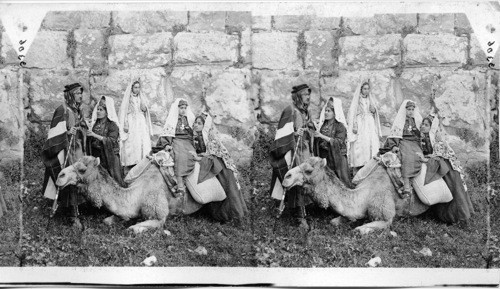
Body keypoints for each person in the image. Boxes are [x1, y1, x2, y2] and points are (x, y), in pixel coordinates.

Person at [269, 84, 316, 230]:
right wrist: (295, 134)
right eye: (305, 95)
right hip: (294, 152)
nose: (308, 97)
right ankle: (298, 216)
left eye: (309, 95)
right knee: (295, 181)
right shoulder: (291, 110)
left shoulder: (306, 112)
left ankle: (305, 210)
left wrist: (309, 128)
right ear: (298, 96)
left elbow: (311, 129)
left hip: (305, 151)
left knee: (306, 180)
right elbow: (282, 133)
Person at [41, 83, 88, 229]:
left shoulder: (78, 110)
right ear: (70, 95)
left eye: (81, 93)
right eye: (78, 93)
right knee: (69, 179)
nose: (81, 96)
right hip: (67, 151)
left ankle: (78, 208)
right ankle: (72, 215)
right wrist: (67, 133)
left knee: (79, 178)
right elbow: (55, 133)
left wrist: (81, 128)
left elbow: (83, 127)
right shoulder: (63, 110)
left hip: (78, 150)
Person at [192, 113, 248, 222]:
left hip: (222, 168)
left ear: (205, 126)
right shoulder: (197, 137)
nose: (196, 125)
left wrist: (198, 158)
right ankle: (218, 216)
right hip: (213, 166)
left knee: (227, 189)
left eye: (199, 123)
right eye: (195, 122)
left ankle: (234, 216)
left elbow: (212, 156)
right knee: (216, 190)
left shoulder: (211, 138)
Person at [419, 115, 474, 224]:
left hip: (449, 168)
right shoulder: (425, 138)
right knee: (443, 191)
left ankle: (459, 218)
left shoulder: (437, 138)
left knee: (454, 189)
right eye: (422, 124)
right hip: (441, 167)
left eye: (426, 125)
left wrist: (424, 159)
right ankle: (445, 217)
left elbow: (438, 156)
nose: (423, 127)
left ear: (432, 127)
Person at [157, 98, 196, 198]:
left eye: (185, 108)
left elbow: (194, 132)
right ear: (177, 108)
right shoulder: (173, 119)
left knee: (191, 154)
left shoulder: (189, 119)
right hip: (177, 140)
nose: (183, 110)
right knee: (179, 154)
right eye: (181, 108)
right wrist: (166, 144)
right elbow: (166, 132)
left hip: (187, 141)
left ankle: (188, 180)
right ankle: (179, 183)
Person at [383, 100, 423, 197]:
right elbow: (395, 133)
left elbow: (421, 134)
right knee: (407, 156)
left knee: (418, 155)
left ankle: (414, 180)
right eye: (409, 109)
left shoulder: (416, 121)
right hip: (404, 141)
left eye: (412, 109)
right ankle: (406, 183)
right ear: (405, 110)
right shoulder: (401, 121)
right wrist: (394, 145)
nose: (411, 111)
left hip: (415, 142)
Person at [87, 96, 126, 187]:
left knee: (112, 182)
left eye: (101, 110)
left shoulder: (112, 125)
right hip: (97, 156)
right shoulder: (95, 123)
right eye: (98, 109)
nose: (98, 111)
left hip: (109, 157)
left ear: (107, 112)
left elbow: (112, 141)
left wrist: (94, 135)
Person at [313, 97, 352, 188]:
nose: (326, 113)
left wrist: (321, 136)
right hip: (327, 158)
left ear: (335, 113)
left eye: (329, 111)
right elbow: (318, 140)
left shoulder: (340, 126)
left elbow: (338, 142)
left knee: (342, 183)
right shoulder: (323, 125)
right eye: (325, 110)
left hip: (338, 159)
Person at [118, 79, 153, 175]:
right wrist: (125, 123)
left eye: (138, 87)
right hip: (132, 121)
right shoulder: (128, 98)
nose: (137, 89)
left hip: (140, 121)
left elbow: (145, 110)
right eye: (135, 87)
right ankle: (131, 163)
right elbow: (124, 111)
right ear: (132, 88)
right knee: (132, 141)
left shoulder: (141, 97)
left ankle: (142, 161)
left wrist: (144, 107)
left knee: (142, 140)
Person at [347, 81, 382, 175]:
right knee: (361, 143)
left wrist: (374, 110)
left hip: (369, 122)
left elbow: (375, 111)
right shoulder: (357, 100)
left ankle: (370, 164)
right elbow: (352, 112)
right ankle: (359, 165)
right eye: (364, 89)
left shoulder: (370, 99)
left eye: (368, 89)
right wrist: (354, 125)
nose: (366, 91)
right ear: (361, 89)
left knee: (371, 142)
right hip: (361, 123)